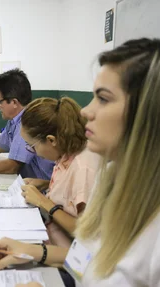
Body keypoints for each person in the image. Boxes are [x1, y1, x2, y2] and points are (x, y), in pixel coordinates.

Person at [0, 38, 160, 286]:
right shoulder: (112, 176)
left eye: (103, 99)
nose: (86, 111)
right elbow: (86, 260)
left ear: (150, 113)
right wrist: (29, 252)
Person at [20, 97, 101, 248]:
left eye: (32, 146)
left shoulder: (83, 166)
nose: (34, 152)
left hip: (66, 255)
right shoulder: (66, 152)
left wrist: (43, 202)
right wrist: (45, 185)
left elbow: (85, 231)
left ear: (51, 140)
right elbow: (70, 193)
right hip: (50, 237)